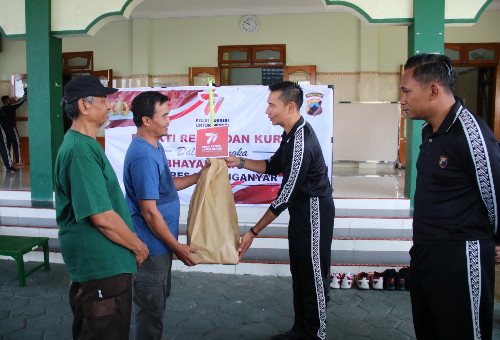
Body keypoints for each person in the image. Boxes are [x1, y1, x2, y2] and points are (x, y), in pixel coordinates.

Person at [401, 53, 500, 340]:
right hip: (426, 252)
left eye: (407, 91)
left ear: (433, 90)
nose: (403, 100)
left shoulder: (470, 134)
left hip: (460, 256)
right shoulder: (429, 131)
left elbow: (494, 190)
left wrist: (496, 240)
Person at [225, 81, 335, 340]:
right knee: (299, 270)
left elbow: (285, 195)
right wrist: (239, 162)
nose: (267, 110)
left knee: (314, 272)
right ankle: (301, 329)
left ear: (291, 106)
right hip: (301, 211)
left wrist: (253, 231)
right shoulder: (290, 134)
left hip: (315, 210)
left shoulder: (301, 140)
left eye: (272, 105)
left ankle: (316, 333)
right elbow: (273, 166)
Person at [54, 75, 149, 340]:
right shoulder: (79, 151)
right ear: (84, 106)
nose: (109, 106)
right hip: (99, 266)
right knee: (102, 331)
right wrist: (138, 245)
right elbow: (101, 216)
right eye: (104, 100)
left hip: (106, 264)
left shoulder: (85, 145)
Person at [123, 91, 205, 340]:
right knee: (150, 312)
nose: (170, 120)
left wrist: (202, 175)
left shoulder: (154, 147)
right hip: (151, 248)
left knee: (157, 302)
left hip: (161, 245)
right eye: (165, 115)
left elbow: (167, 187)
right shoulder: (144, 156)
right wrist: (177, 247)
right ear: (147, 120)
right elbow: (149, 212)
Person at [0, 91, 26, 171]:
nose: (10, 100)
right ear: (6, 101)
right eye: (9, 99)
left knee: (7, 146)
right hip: (11, 129)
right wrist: (25, 95)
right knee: (16, 144)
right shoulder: (10, 107)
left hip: (4, 130)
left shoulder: (2, 109)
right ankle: (18, 161)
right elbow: (19, 103)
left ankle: (10, 162)